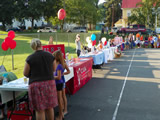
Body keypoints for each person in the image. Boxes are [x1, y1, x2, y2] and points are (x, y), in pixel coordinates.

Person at [23, 38, 57, 120]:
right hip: (49, 83)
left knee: (39, 110)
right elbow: (53, 69)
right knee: (49, 107)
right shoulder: (50, 55)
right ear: (41, 45)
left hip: (36, 85)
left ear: (33, 47)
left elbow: (25, 73)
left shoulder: (30, 58)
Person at [53, 50, 66, 120]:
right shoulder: (57, 64)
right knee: (59, 100)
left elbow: (58, 77)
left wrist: (51, 76)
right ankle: (62, 116)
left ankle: (61, 116)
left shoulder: (59, 66)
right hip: (58, 84)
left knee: (59, 100)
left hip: (58, 84)